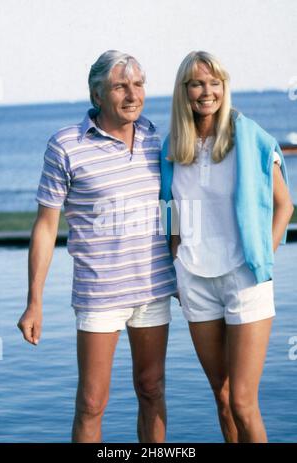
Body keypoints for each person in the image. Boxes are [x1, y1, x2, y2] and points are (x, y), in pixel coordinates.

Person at [17, 50, 176, 443]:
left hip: (154, 289)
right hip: (99, 293)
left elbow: (173, 207)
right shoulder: (65, 145)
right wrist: (34, 301)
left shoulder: (158, 139)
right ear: (97, 94)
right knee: (91, 401)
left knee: (152, 388)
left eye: (138, 85)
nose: (132, 94)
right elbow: (45, 225)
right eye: (120, 86)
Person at [160, 51, 294, 443]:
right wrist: (173, 256)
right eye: (198, 84)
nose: (207, 92)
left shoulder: (248, 136)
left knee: (242, 402)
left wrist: (264, 255)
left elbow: (285, 204)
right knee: (220, 398)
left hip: (244, 279)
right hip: (195, 282)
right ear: (184, 91)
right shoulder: (173, 146)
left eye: (214, 83)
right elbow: (168, 207)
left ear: (224, 87)